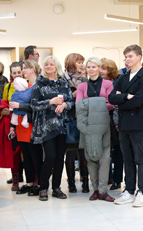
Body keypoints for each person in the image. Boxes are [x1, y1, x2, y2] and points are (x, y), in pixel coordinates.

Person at [109, 44, 143, 207]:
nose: (127, 59)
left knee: (141, 159)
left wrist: (123, 100)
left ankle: (141, 192)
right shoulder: (122, 77)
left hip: (138, 123)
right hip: (124, 123)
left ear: (139, 57)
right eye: (126, 57)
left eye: (130, 56)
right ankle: (129, 190)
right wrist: (126, 96)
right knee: (127, 158)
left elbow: (139, 101)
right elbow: (112, 98)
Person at [31, 55, 75, 201]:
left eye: (52, 64)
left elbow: (71, 101)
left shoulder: (63, 83)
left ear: (56, 67)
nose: (49, 66)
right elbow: (34, 105)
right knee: (50, 156)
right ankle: (43, 188)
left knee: (59, 158)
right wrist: (51, 101)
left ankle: (56, 188)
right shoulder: (39, 84)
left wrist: (64, 105)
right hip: (46, 127)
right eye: (47, 64)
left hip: (62, 126)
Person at [76, 57, 115, 202]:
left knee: (105, 158)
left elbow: (111, 104)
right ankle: (96, 189)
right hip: (87, 126)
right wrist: (100, 102)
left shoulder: (107, 83)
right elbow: (79, 105)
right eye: (89, 67)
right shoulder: (82, 86)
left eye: (94, 66)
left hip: (104, 125)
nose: (91, 69)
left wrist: (89, 103)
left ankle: (104, 190)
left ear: (99, 68)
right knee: (90, 158)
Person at [9, 60, 43, 196]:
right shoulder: (23, 86)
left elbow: (36, 106)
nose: (22, 71)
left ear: (33, 69)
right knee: (26, 157)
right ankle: (29, 183)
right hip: (21, 127)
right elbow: (16, 106)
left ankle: (40, 184)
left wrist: (19, 106)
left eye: (24, 68)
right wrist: (12, 125)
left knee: (36, 156)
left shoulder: (38, 86)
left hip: (33, 126)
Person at [64, 53, 89, 194]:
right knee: (70, 153)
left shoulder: (85, 80)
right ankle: (71, 184)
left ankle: (85, 182)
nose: (81, 65)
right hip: (68, 121)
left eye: (82, 62)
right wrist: (71, 96)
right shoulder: (63, 80)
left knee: (83, 153)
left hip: (84, 119)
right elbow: (60, 99)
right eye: (79, 62)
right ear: (72, 63)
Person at [100, 58, 123, 191]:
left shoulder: (117, 83)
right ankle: (106, 177)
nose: (101, 71)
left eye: (104, 69)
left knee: (117, 150)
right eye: (101, 68)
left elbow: (116, 102)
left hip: (115, 119)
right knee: (105, 150)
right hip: (102, 118)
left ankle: (117, 179)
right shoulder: (99, 83)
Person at [1, 62, 24, 190]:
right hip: (12, 124)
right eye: (14, 73)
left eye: (19, 72)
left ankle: (32, 180)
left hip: (26, 123)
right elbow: (4, 102)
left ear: (22, 72)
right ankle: (15, 180)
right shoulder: (8, 87)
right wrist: (3, 110)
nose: (17, 75)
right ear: (11, 74)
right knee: (14, 152)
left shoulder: (28, 85)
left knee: (28, 152)